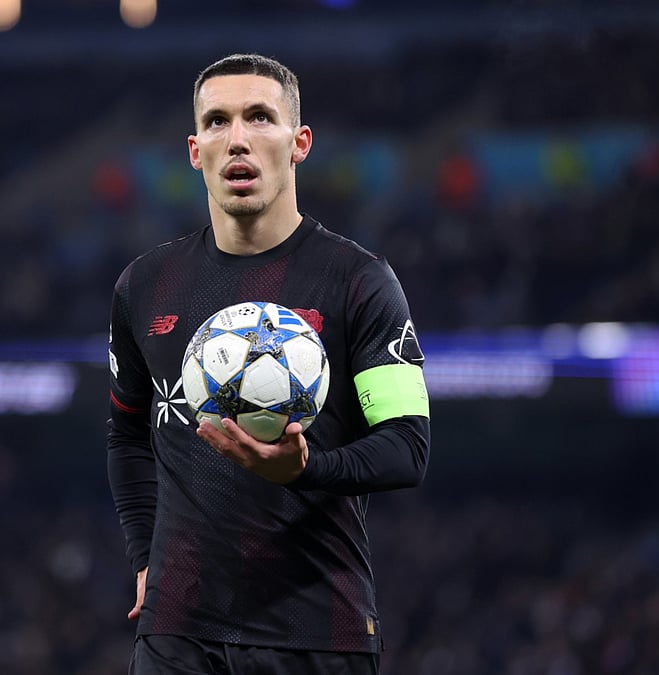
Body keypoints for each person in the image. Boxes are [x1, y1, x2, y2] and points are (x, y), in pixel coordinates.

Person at [106, 53, 430, 675]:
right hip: (177, 635)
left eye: (259, 117)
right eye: (218, 122)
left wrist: (304, 469)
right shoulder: (144, 286)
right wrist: (145, 557)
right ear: (195, 150)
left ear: (299, 142)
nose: (238, 139)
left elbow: (406, 447)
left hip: (315, 632)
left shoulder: (359, 281)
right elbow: (125, 434)